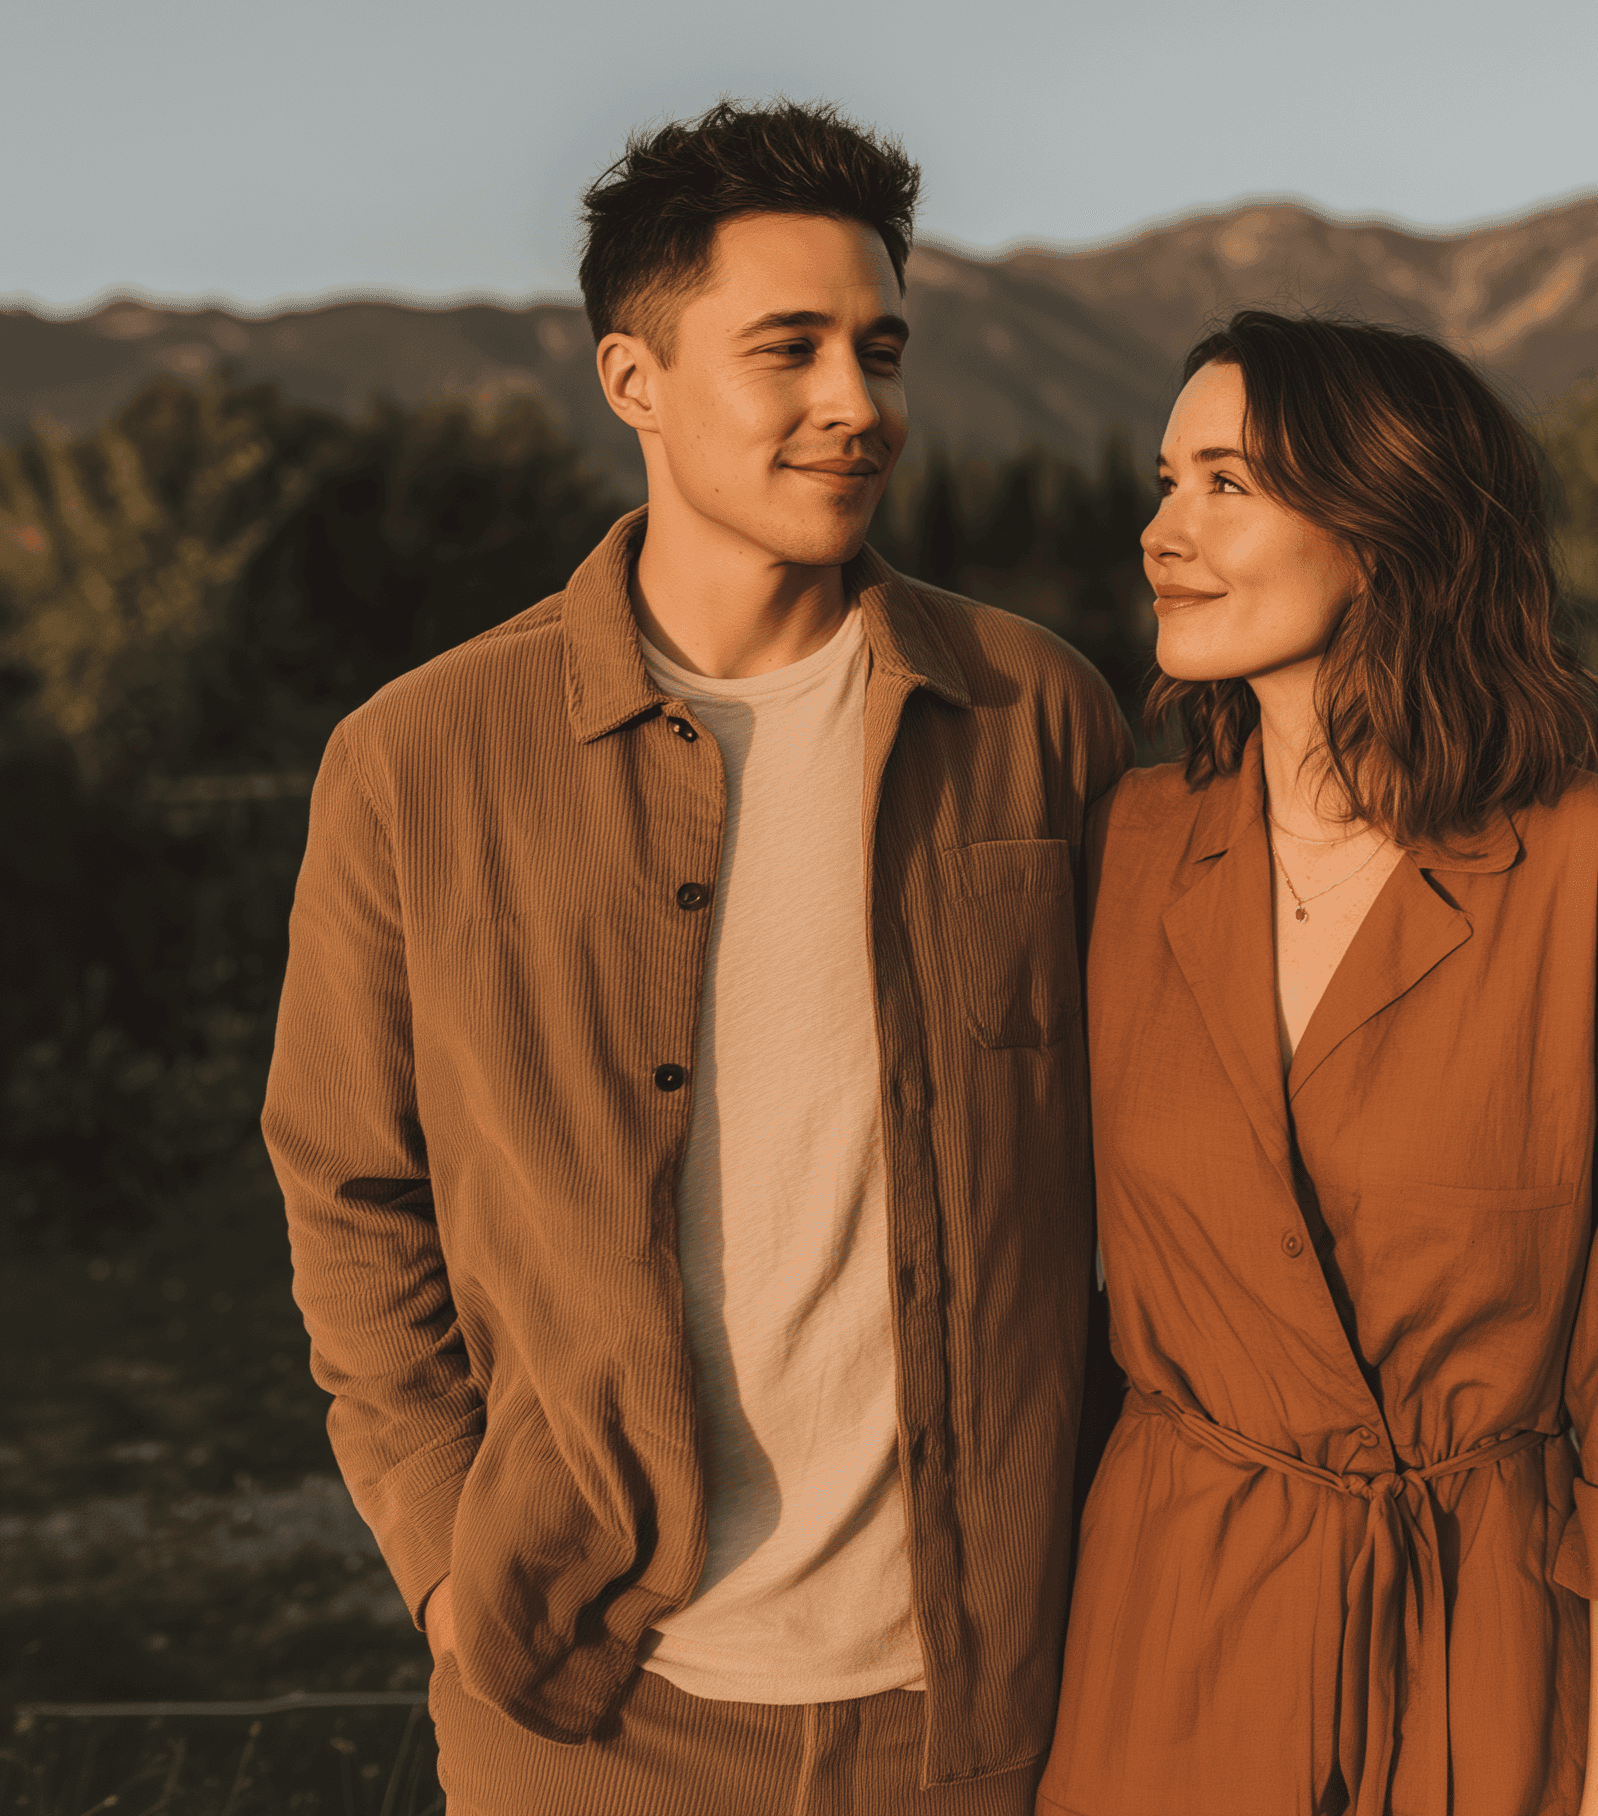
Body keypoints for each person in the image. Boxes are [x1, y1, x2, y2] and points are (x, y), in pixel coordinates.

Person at [262, 99, 1132, 1816]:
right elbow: (349, 1195)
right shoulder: (419, 759)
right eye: (788, 348)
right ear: (631, 380)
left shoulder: (1038, 718)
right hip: (594, 1716)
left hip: (982, 1698)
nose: (855, 404)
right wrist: (448, 1567)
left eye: (881, 350)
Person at [1037, 311, 1598, 1816]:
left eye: (1227, 483)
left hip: (1484, 1643)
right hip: (1168, 1642)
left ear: (1385, 525)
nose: (1165, 531)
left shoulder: (1590, 862)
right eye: (1164, 482)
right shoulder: (1126, 845)